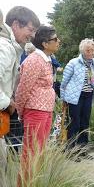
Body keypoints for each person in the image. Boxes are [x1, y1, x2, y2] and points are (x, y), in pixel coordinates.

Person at [15, 25, 60, 175]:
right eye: (55, 39)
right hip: (35, 112)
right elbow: (23, 89)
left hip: (45, 110)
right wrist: (21, 112)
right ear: (45, 44)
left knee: (39, 152)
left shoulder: (46, 59)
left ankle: (35, 182)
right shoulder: (34, 60)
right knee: (31, 154)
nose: (58, 41)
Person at [0, 6, 40, 167]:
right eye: (30, 29)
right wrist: (7, 102)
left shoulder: (11, 48)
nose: (33, 35)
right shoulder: (4, 48)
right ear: (15, 24)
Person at [60, 38, 94, 158]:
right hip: (75, 97)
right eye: (88, 50)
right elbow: (64, 82)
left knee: (85, 122)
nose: (91, 53)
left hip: (88, 95)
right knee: (74, 123)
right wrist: (63, 98)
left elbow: (93, 81)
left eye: (93, 50)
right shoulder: (73, 63)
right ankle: (71, 151)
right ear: (82, 51)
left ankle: (82, 150)